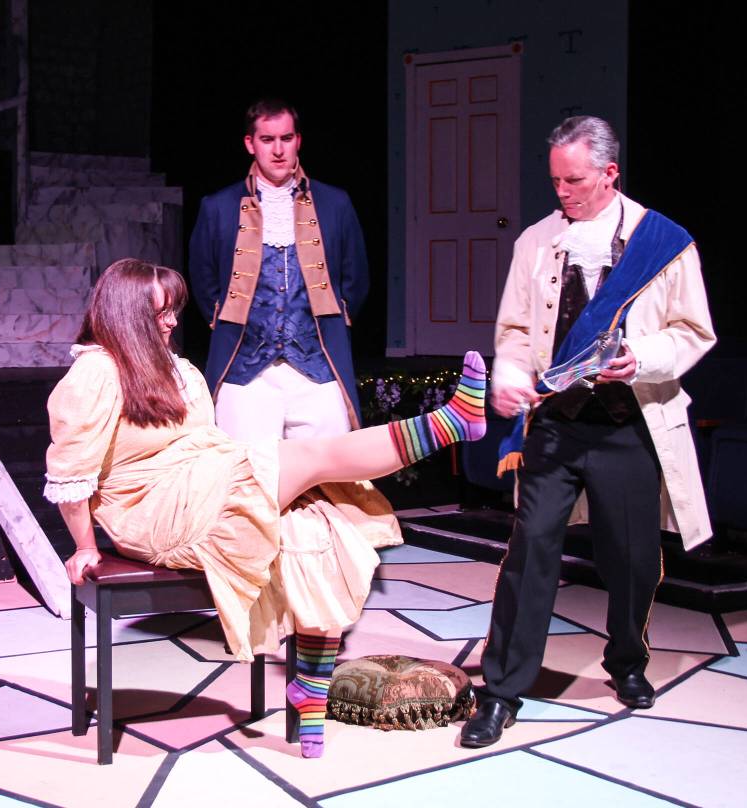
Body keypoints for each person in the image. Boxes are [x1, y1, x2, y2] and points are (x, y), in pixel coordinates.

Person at [45, 259, 486, 758]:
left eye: (174, 311)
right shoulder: (94, 374)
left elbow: (205, 443)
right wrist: (85, 547)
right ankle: (448, 425)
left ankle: (311, 688)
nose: (171, 321)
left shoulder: (179, 370)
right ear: (126, 314)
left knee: (314, 521)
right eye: (160, 312)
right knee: (309, 456)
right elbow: (70, 477)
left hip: (203, 481)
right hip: (151, 512)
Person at [460, 116, 716, 748]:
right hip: (556, 425)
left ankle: (627, 660)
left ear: (609, 172)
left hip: (627, 425)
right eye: (555, 180)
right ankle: (500, 692)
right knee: (532, 550)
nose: (563, 192)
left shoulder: (667, 242)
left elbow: (693, 331)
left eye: (574, 180)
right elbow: (517, 332)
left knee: (629, 559)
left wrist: (644, 359)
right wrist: (508, 377)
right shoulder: (536, 242)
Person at [188, 98, 369, 441]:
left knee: (328, 476)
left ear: (298, 140)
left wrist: (337, 317)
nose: (278, 150)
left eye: (286, 138)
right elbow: (204, 279)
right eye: (267, 140)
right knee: (249, 480)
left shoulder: (335, 203)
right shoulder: (218, 207)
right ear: (250, 144)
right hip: (246, 370)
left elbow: (355, 278)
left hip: (317, 365)